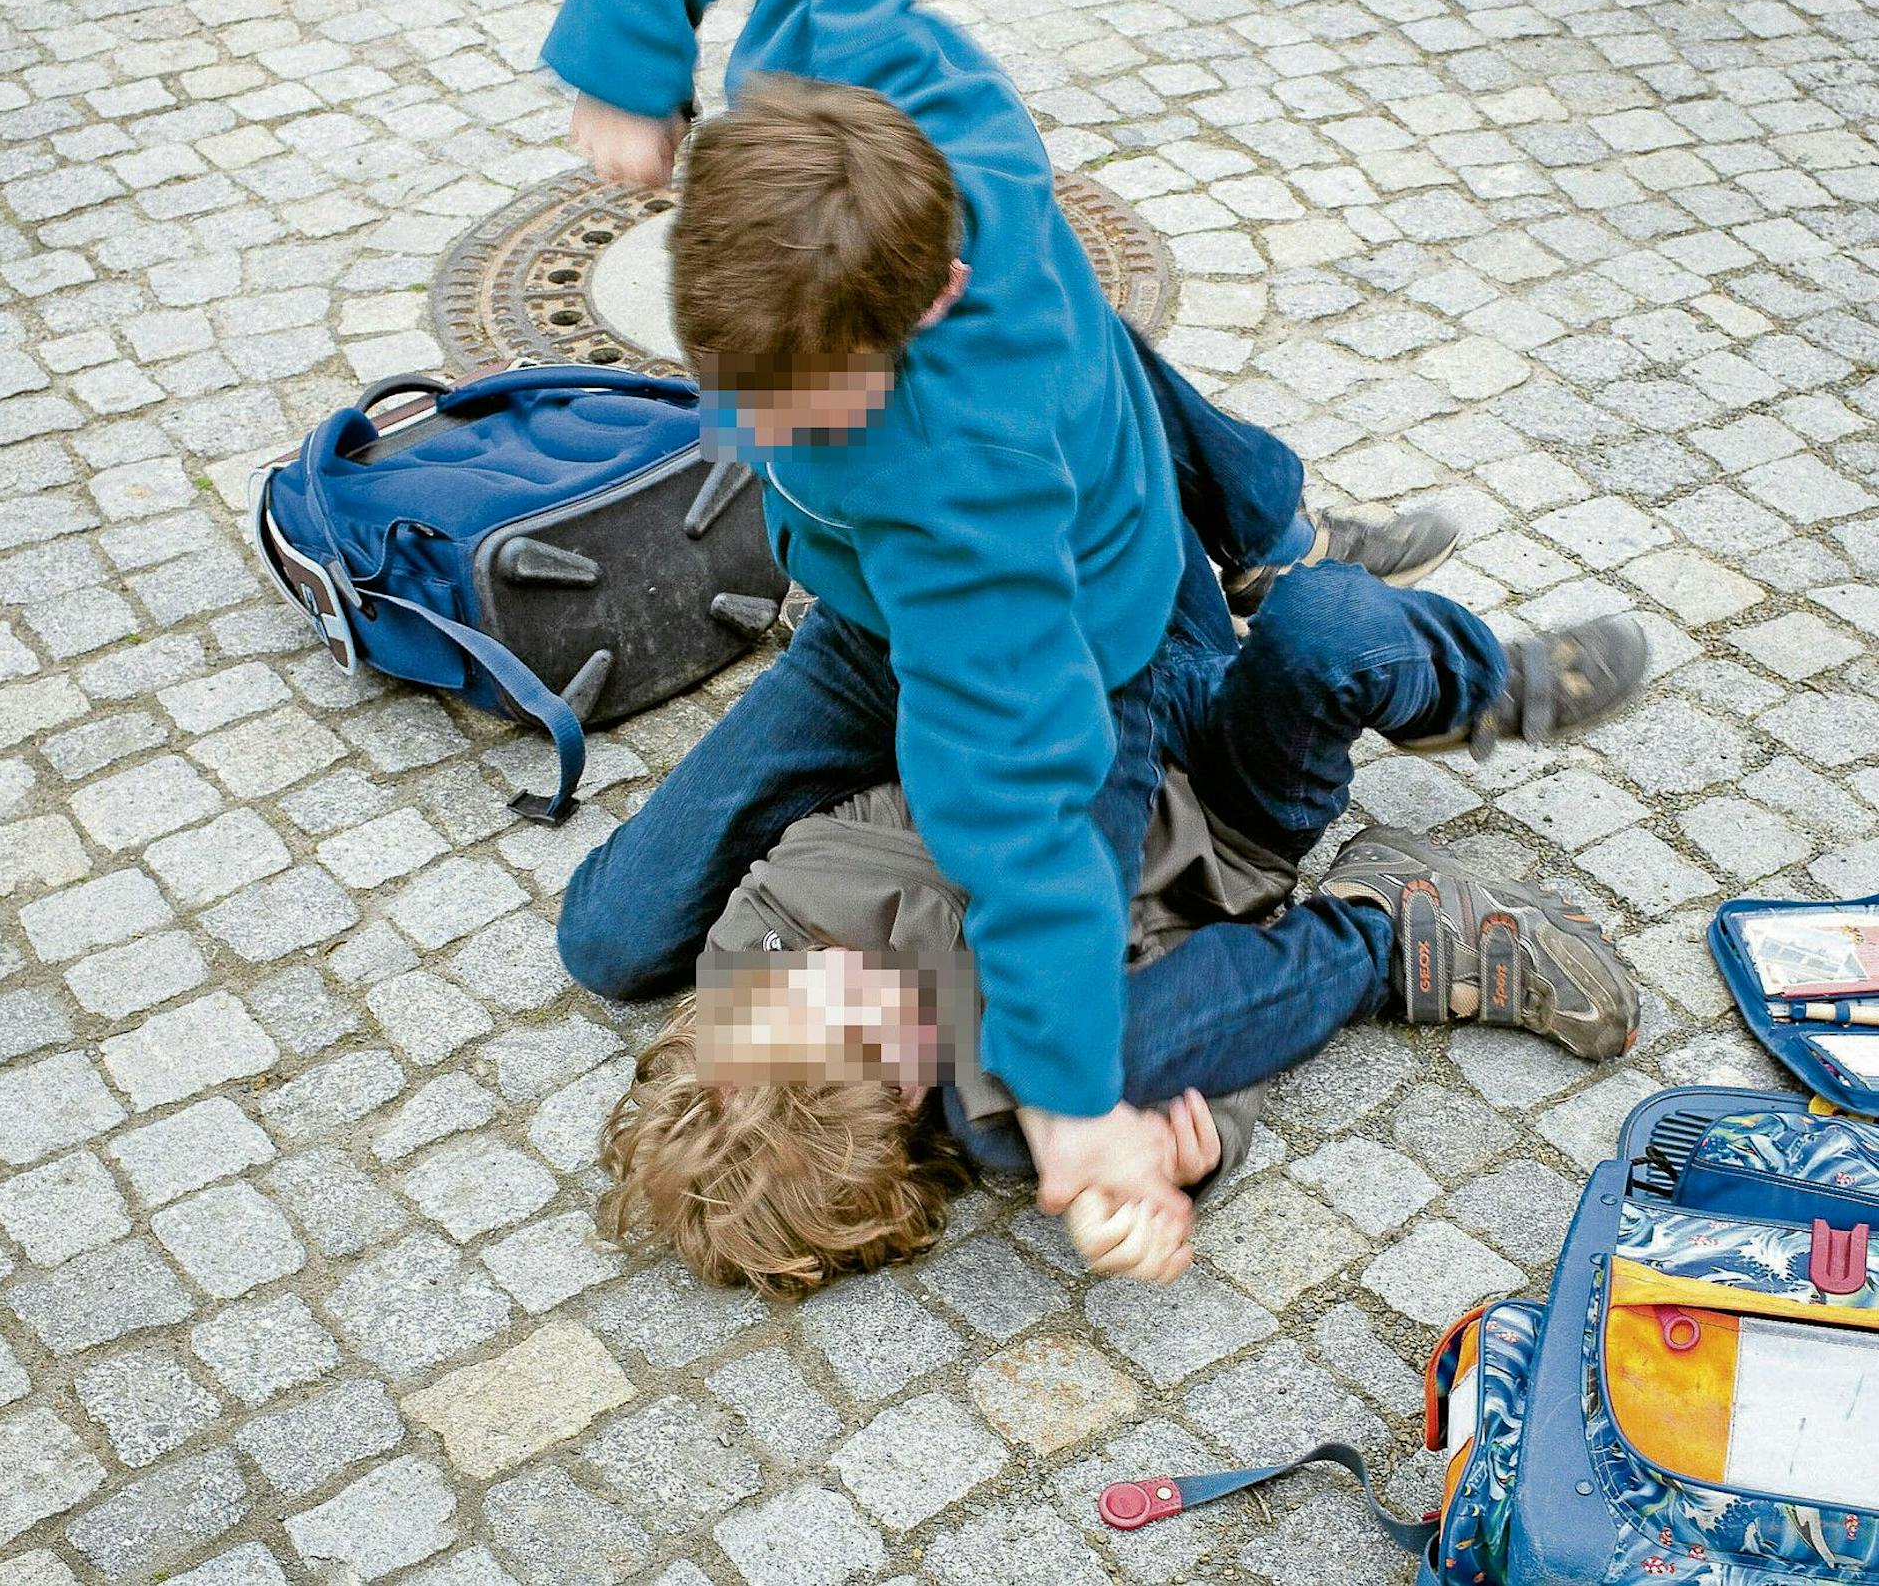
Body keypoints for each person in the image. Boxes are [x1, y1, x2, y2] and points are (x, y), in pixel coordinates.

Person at [545, 0, 1475, 1247]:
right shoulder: (843, 80)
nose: (749, 428)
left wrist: (1067, 1106)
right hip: (865, 634)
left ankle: (1373, 891)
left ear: (928, 311)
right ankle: (1262, 510)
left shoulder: (958, 499)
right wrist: (625, 45)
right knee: (607, 939)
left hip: (1107, 648)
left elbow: (1021, 814)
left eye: (797, 403)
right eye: (728, 372)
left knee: (1022, 998)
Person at [597, 552, 1643, 1294]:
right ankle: (1387, 928)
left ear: (735, 1013)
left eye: (841, 1012)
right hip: (1232, 812)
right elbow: (1209, 1022)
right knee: (1328, 626)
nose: (895, 1012)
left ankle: (1446, 667)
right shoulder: (976, 1107)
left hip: (1104, 698)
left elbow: (985, 831)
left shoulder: (757, 934)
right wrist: (1182, 1150)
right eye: (896, 1067)